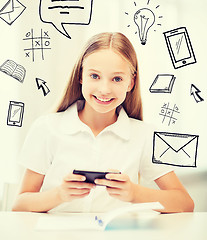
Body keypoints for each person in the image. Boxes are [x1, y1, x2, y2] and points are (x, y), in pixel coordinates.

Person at [12, 32, 194, 213]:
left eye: (117, 79)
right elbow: (19, 205)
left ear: (131, 83)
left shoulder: (145, 135)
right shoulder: (47, 128)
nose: (104, 89)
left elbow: (185, 203)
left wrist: (134, 193)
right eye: (95, 76)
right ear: (81, 76)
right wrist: (59, 194)